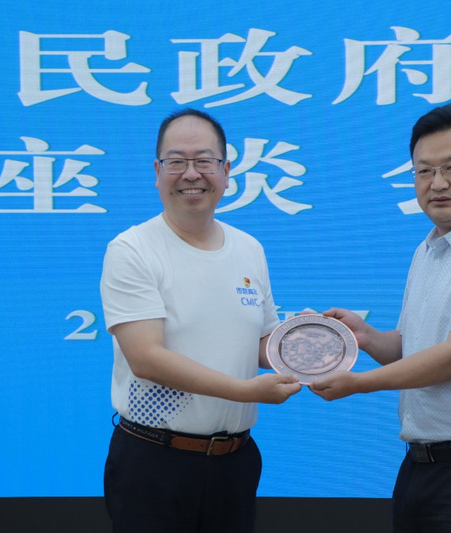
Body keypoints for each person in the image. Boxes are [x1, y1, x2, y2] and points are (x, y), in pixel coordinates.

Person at [311, 102, 451, 532]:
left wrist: (358, 383)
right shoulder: (430, 247)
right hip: (423, 467)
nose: (437, 183)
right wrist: (366, 337)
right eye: (423, 171)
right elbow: (413, 348)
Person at [100, 108, 301, 532]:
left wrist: (310, 343)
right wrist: (245, 390)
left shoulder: (249, 248)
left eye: (205, 161)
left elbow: (262, 344)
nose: (191, 174)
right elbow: (146, 358)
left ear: (226, 172)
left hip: (235, 461)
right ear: (157, 172)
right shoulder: (132, 249)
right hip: (155, 462)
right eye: (176, 162)